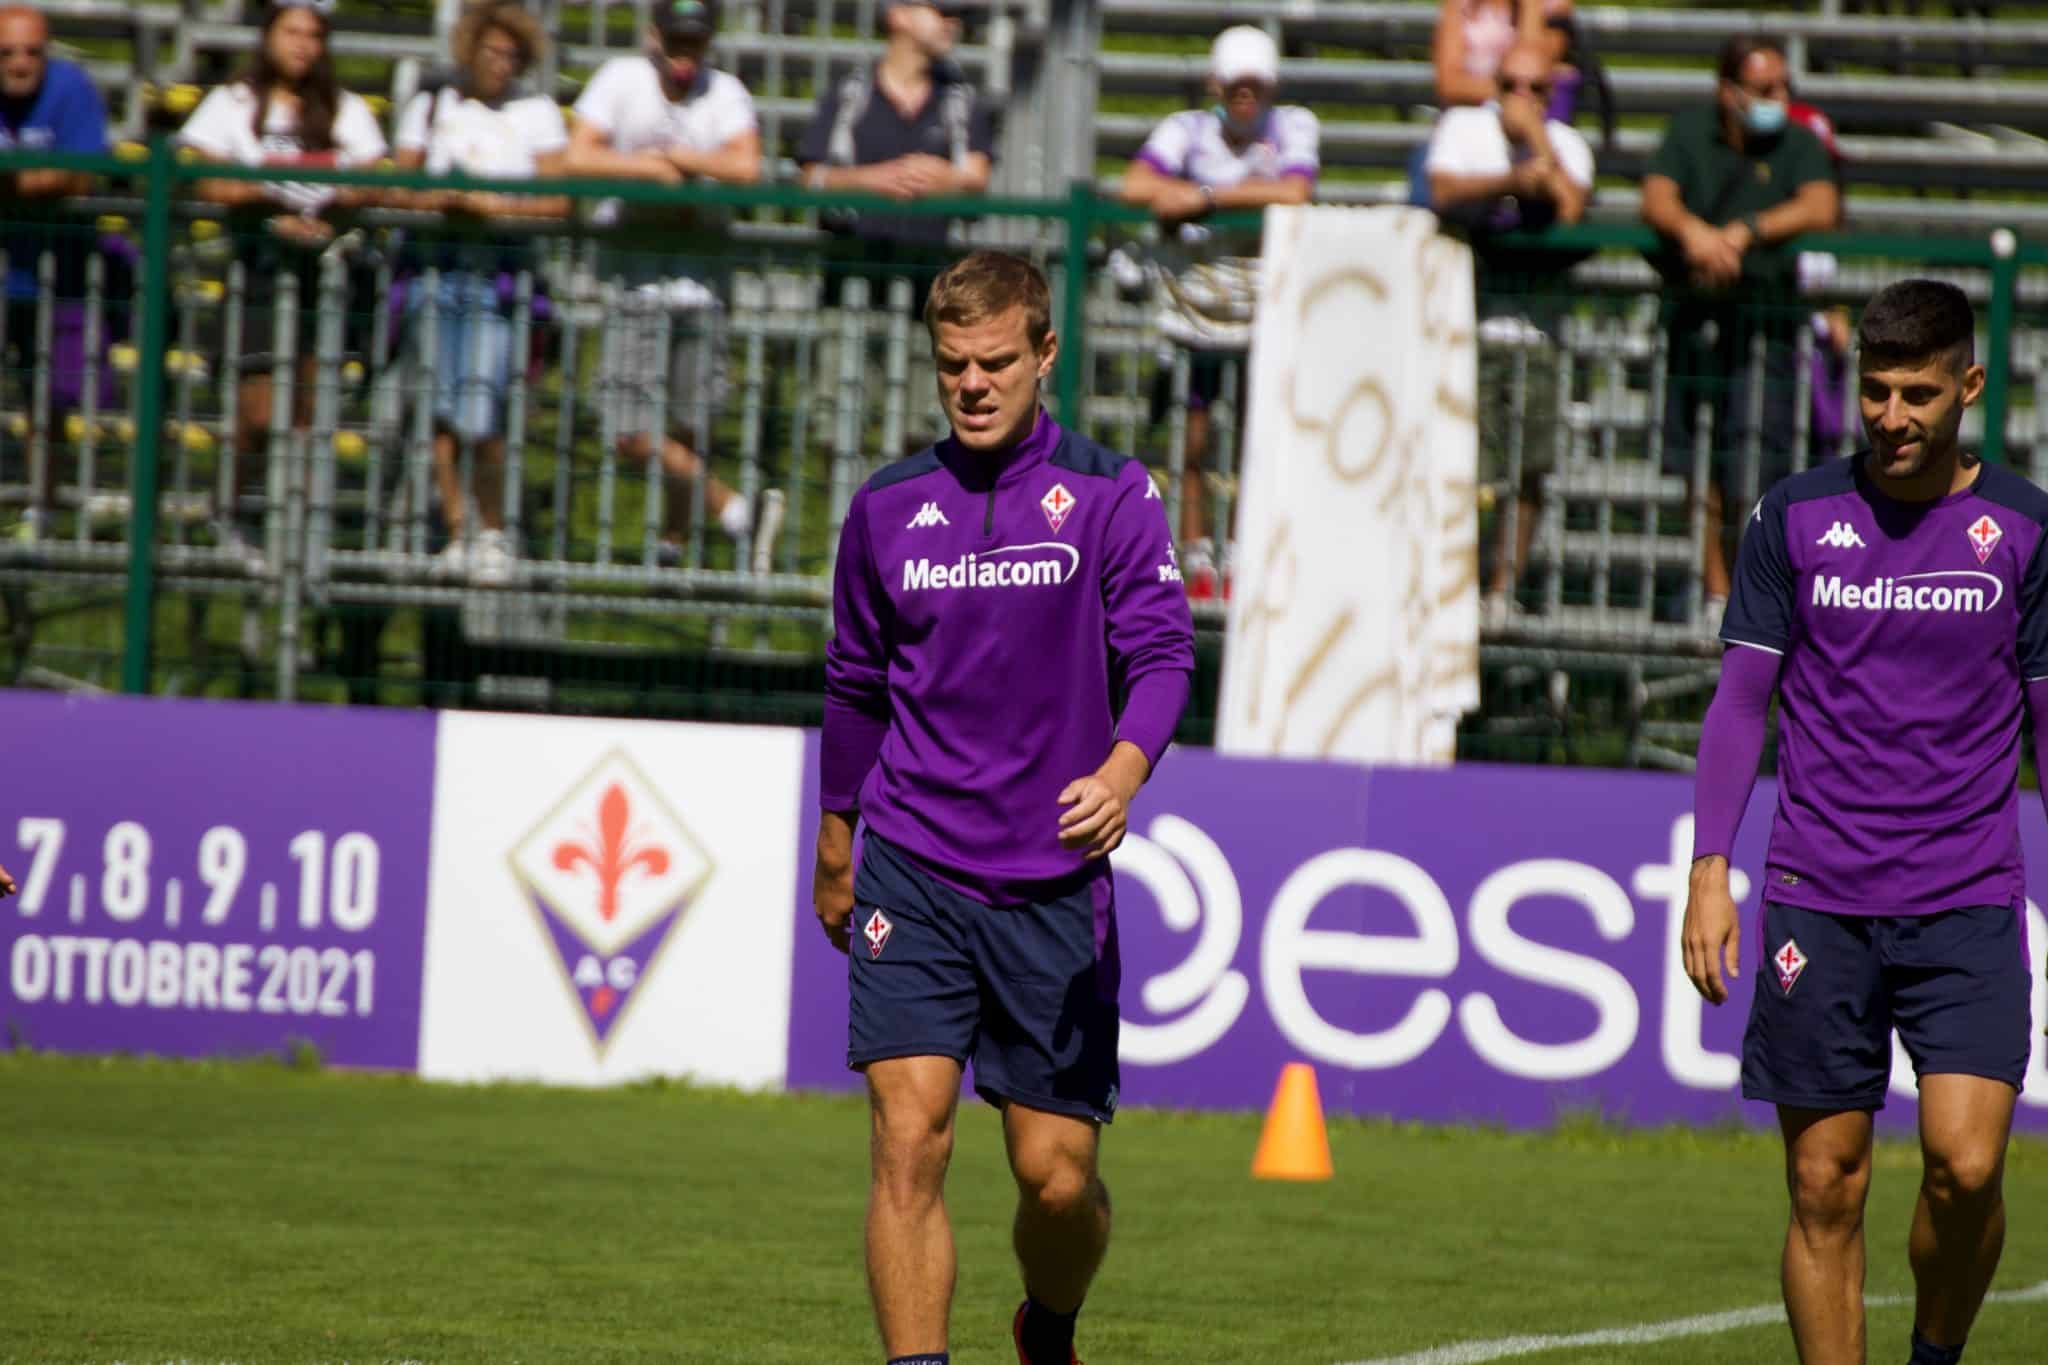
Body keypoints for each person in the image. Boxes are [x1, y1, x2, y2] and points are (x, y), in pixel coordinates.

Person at [812, 251, 1194, 1365]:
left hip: (1049, 882)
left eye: (992, 364)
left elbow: (1164, 658)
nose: (971, 386)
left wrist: (1120, 774)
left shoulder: (1111, 495)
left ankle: (1049, 1325)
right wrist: (837, 835)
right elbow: (852, 684)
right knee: (907, 1140)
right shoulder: (886, 509)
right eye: (950, 367)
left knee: (1055, 1179)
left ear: (1043, 355)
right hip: (911, 866)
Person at [1682, 279, 2039, 1365]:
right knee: (1820, 1184)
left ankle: (1933, 1352)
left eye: (1917, 395)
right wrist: (1710, 868)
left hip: (1966, 899)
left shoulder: (2021, 531)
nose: (1891, 417)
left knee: (1965, 1167)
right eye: (1874, 392)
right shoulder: (1791, 516)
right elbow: (1742, 701)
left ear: (1967, 388)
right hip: (1814, 897)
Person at [180, 0, 389, 572]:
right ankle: (231, 509)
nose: (302, 44)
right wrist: (272, 198)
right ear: (269, 35)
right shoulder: (234, 102)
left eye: (313, 34)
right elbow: (203, 176)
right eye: (291, 31)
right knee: (259, 412)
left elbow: (375, 177)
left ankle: (294, 531)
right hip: (260, 271)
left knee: (306, 413)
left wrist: (333, 205)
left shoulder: (342, 108)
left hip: (322, 274)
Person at [1641, 34, 1839, 629]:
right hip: (1696, 325)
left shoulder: (1797, 144)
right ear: (1728, 92)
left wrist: (1747, 230)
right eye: (1764, 88)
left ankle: (1762, 592)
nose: (1779, 98)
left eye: (1784, 86)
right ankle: (1717, 595)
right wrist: (1695, 233)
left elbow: (1821, 205)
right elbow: (1655, 199)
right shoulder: (1690, 133)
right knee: (1699, 466)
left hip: (1768, 332)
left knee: (1760, 467)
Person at [1119, 25, 1317, 599]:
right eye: (1235, 85)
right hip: (1197, 312)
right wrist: (1183, 192)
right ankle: (1198, 561)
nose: (1245, 95)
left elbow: (1297, 191)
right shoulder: (1188, 129)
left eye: (1255, 84)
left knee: (1258, 441)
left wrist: (1202, 197)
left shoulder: (1294, 126)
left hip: (1264, 314)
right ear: (1216, 84)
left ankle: (1244, 556)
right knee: (1194, 442)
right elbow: (1135, 184)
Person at [567, 0, 760, 562]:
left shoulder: (725, 92)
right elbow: (579, 156)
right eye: (675, 43)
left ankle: (673, 548)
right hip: (634, 282)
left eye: (694, 44)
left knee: (690, 423)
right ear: (653, 36)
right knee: (628, 429)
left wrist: (677, 158)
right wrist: (649, 170)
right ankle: (731, 507)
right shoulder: (619, 80)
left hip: (702, 286)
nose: (684, 58)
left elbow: (746, 167)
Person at [393, 0, 568, 585]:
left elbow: (558, 200)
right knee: (440, 405)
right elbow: (397, 187)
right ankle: (457, 527)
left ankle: (494, 529)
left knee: (484, 403)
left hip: (500, 275)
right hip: (437, 267)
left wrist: (493, 207)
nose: (502, 64)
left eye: (513, 55)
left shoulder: (537, 113)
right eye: (493, 51)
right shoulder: (432, 106)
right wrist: (441, 201)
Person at [1424, 37, 1592, 625]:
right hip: (1463, 331)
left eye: (1536, 89)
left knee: (1529, 471)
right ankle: (1452, 585)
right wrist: (1513, 180)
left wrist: (1538, 144)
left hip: (1536, 336)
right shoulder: (1463, 129)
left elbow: (1571, 208)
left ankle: (1501, 591)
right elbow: (1441, 189)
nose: (1520, 99)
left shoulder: (1566, 143)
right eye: (1509, 86)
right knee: (1461, 468)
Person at [0, 2, 112, 540]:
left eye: (31, 52)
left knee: (48, 397)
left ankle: (40, 511)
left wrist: (14, 184)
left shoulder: (72, 90)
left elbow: (83, 174)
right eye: (6, 53)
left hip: (54, 275)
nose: (19, 63)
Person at [796, 0, 994, 289]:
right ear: (898, 15)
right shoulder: (849, 97)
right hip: (850, 288)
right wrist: (869, 180)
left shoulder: (962, 103)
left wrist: (945, 178)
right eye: (942, 13)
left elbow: (978, 179)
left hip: (933, 295)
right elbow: (809, 178)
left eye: (957, 15)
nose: (953, 24)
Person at [1432, 0, 1571, 108]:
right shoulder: (1461, 5)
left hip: (1525, 120)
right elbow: (1449, 85)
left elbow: (1533, 73)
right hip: (1468, 116)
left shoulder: (1553, 6)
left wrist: (1530, 9)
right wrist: (1512, 90)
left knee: (1521, 114)